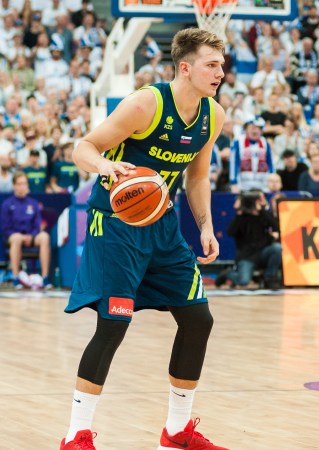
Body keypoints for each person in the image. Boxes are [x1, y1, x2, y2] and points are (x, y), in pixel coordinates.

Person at [60, 29, 228, 450]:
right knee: (113, 324)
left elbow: (198, 177)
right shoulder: (145, 104)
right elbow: (83, 147)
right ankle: (75, 435)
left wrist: (205, 226)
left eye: (222, 65)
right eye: (211, 64)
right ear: (185, 68)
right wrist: (105, 167)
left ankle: (176, 431)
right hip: (115, 223)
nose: (220, 73)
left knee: (198, 320)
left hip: (162, 223)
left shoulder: (213, 115)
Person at [216, 190, 282, 290]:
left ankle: (270, 278)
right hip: (247, 256)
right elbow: (230, 232)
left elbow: (276, 227)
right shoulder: (241, 217)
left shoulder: (263, 215)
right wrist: (239, 212)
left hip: (263, 252)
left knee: (277, 248)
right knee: (243, 281)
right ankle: (227, 274)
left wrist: (262, 210)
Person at [0, 171, 52, 289]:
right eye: (19, 184)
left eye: (24, 184)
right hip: (14, 237)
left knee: (44, 237)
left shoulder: (33, 203)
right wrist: (21, 236)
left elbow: (37, 224)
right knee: (16, 239)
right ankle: (16, 278)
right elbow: (5, 228)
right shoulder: (7, 204)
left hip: (31, 236)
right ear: (14, 185)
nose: (22, 187)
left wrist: (31, 236)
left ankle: (45, 277)